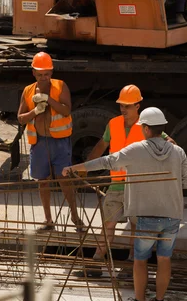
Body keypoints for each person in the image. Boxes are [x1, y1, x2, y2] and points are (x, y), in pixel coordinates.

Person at [63, 107, 187, 301]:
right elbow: (186, 184)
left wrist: (75, 168)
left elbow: (107, 161)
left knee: (140, 260)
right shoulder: (179, 152)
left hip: (147, 216)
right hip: (171, 216)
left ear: (147, 129)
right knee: (164, 259)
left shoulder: (135, 150)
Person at [75, 85, 176, 278]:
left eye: (127, 106)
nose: (123, 109)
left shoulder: (147, 127)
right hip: (116, 184)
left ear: (138, 106)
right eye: (121, 105)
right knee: (108, 225)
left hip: (139, 187)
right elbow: (101, 145)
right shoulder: (113, 124)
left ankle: (131, 264)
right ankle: (96, 262)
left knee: (136, 226)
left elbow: (169, 143)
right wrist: (85, 168)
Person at [17, 52, 84, 232]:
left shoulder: (60, 87)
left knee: (64, 179)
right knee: (42, 181)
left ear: (51, 72)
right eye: (40, 74)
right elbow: (21, 118)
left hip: (60, 143)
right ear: (34, 73)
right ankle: (48, 220)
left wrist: (48, 100)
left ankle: (75, 217)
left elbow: (66, 110)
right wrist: (35, 111)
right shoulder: (28, 91)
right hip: (39, 143)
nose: (43, 77)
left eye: (46, 73)